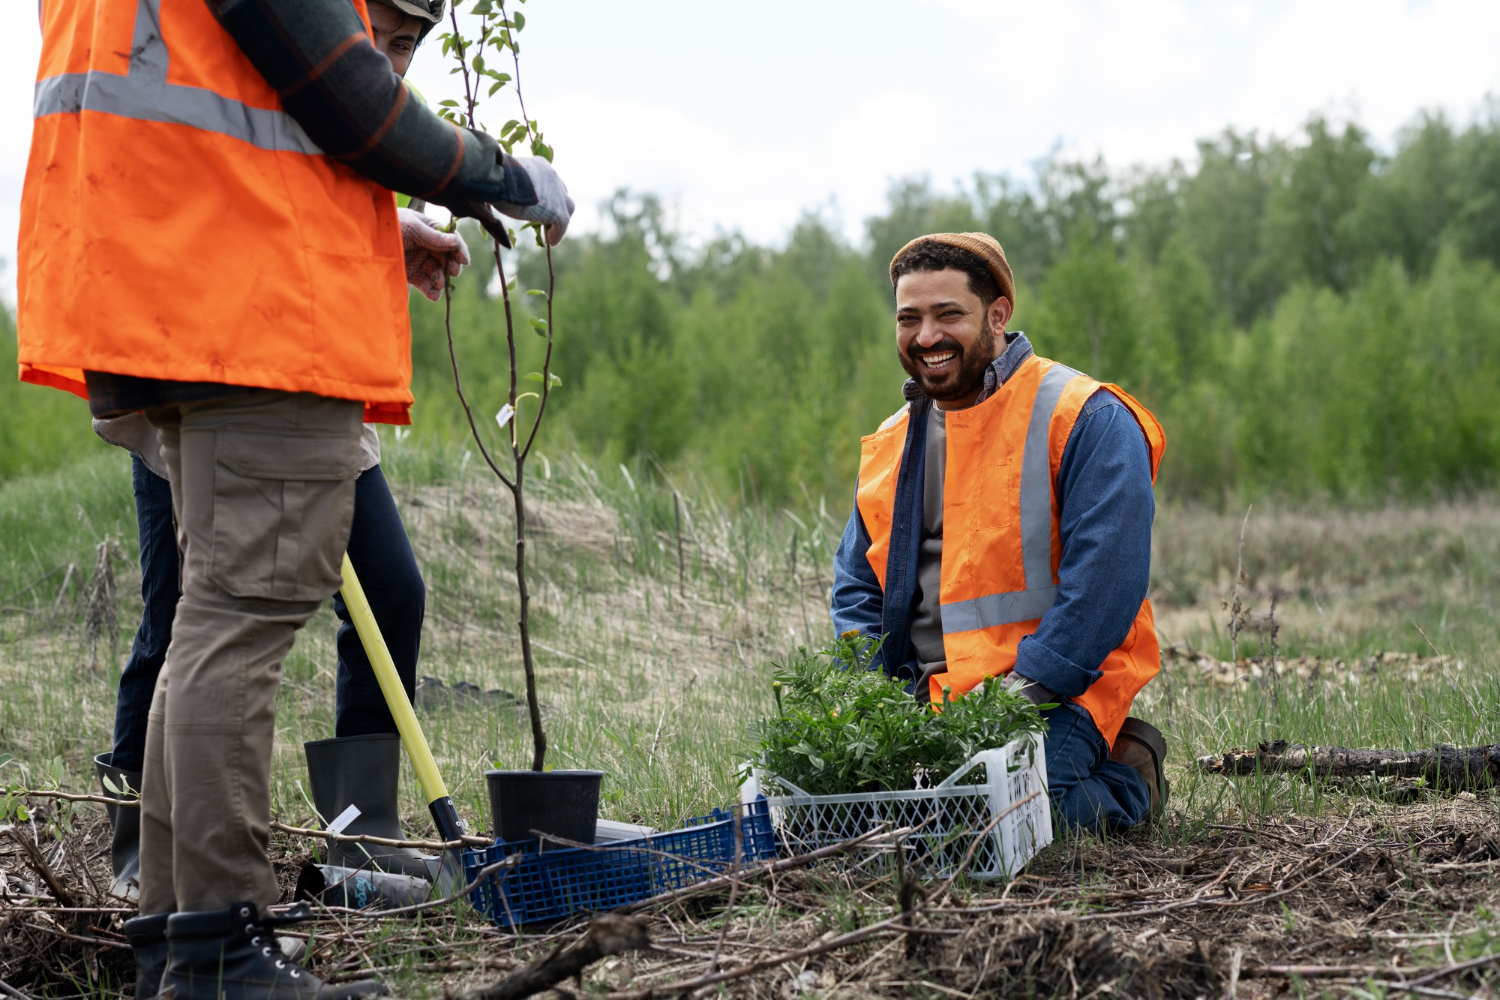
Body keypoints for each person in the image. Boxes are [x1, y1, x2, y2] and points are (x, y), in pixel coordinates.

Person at [18, 0, 573, 995]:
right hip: (246, 317)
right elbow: (356, 100)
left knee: (208, 621)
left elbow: (240, 111)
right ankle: (221, 949)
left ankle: (179, 945)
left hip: (165, 294)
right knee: (239, 618)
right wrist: (501, 173)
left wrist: (369, 219)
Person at [87, 0, 461, 909]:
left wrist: (387, 235)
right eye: (389, 33)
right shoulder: (285, 42)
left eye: (412, 44)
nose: (393, 57)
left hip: (302, 363)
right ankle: (151, 856)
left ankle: (362, 831)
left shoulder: (339, 76)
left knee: (391, 586)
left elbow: (298, 189)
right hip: (199, 344)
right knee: (183, 604)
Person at [830, 233, 1169, 837]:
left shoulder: (1085, 415)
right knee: (846, 817)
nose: (926, 336)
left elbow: (1106, 587)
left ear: (998, 313)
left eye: (948, 314)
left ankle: (1130, 776)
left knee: (1001, 822)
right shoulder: (891, 442)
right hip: (926, 697)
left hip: (1059, 688)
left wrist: (1017, 697)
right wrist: (871, 704)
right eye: (909, 318)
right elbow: (857, 587)